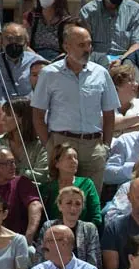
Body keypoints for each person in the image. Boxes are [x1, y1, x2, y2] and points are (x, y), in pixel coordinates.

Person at [31, 21, 119, 193]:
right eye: (81, 45)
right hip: (62, 144)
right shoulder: (49, 74)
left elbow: (109, 114)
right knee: (62, 200)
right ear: (66, 46)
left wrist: (105, 148)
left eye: (89, 44)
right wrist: (49, 145)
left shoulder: (101, 73)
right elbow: (37, 114)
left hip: (93, 147)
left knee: (91, 200)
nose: (87, 49)